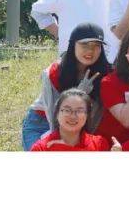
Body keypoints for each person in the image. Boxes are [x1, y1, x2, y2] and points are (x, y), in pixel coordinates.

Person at [22, 22, 110, 150]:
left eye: (96, 45)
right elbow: (54, 117)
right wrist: (79, 93)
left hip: (77, 125)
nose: (90, 51)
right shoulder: (54, 72)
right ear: (73, 44)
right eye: (84, 45)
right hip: (41, 122)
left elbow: (96, 116)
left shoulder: (105, 73)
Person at [30, 89, 110, 151]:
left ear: (87, 116)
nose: (73, 116)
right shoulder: (41, 149)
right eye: (67, 110)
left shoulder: (99, 144)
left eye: (79, 111)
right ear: (57, 113)